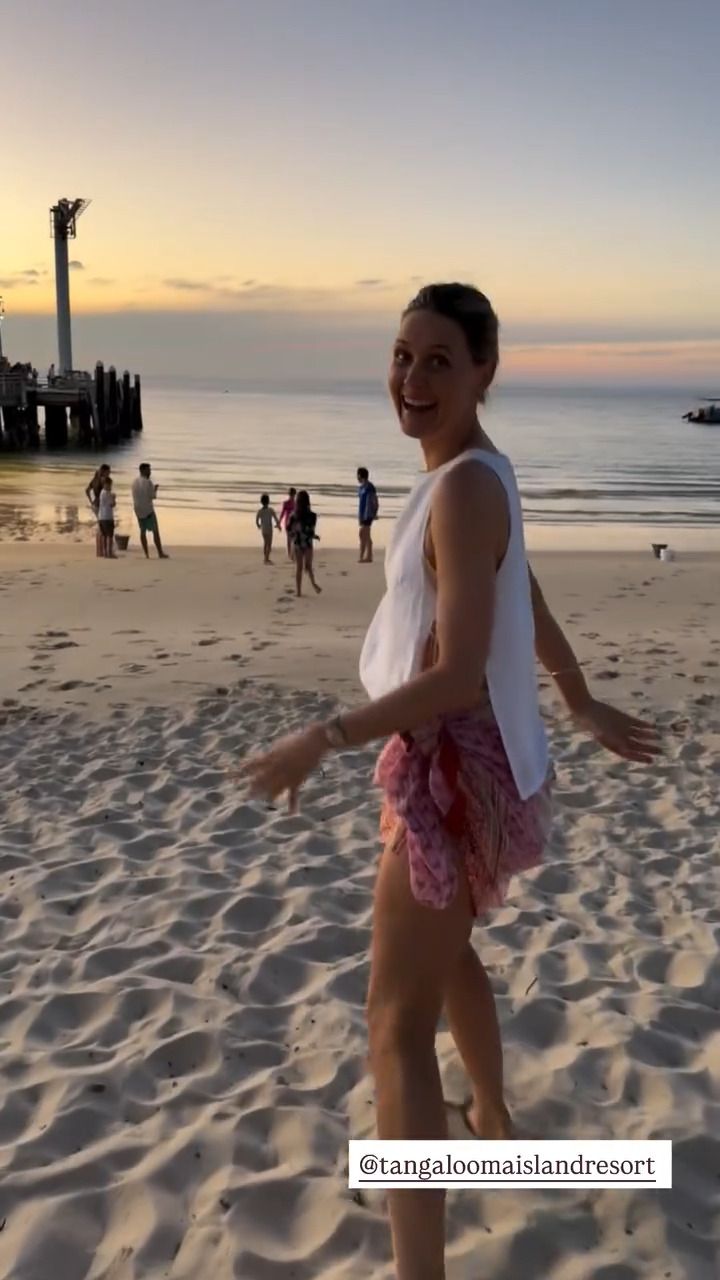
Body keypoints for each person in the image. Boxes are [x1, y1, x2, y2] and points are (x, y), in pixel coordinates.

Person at [240, 283, 661, 1280]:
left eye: (439, 360)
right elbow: (526, 590)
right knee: (449, 951)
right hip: (466, 759)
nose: (412, 378)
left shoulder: (467, 485)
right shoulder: (476, 473)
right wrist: (578, 697)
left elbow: (462, 673)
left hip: (455, 771)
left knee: (393, 1022)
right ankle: (496, 1116)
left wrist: (322, 737)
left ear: (483, 372)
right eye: (402, 356)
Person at [288, 490, 321, 597]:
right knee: (308, 566)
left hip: (297, 543)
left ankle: (298, 592)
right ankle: (314, 584)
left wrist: (293, 536)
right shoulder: (312, 516)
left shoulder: (293, 516)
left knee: (299, 568)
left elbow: (289, 530)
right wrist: (314, 536)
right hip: (307, 543)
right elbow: (311, 531)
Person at [131, 463, 169, 560]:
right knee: (155, 531)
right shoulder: (148, 482)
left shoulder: (134, 482)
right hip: (148, 510)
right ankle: (160, 553)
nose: (150, 472)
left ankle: (146, 554)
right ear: (143, 470)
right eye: (148, 470)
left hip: (138, 509)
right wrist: (155, 489)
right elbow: (153, 496)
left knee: (142, 531)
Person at [85, 464, 111, 558]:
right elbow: (107, 492)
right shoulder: (103, 480)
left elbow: (87, 490)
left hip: (95, 505)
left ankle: (99, 551)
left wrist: (91, 501)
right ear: (104, 471)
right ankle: (103, 551)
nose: (109, 473)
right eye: (108, 471)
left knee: (100, 528)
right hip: (100, 506)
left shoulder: (95, 479)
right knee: (102, 529)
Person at [357, 466, 379, 563]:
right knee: (365, 535)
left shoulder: (369, 487)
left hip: (368, 513)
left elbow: (375, 500)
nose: (357, 478)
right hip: (362, 514)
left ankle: (365, 556)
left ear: (360, 475)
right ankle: (366, 556)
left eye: (357, 475)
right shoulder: (361, 487)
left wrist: (375, 512)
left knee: (363, 533)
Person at [256, 493, 281, 564]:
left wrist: (258, 525)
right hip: (269, 529)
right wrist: (278, 525)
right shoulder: (270, 510)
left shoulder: (260, 511)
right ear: (268, 501)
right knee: (269, 544)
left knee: (265, 543)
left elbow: (257, 520)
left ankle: (265, 557)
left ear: (261, 502)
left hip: (263, 529)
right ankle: (266, 558)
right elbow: (276, 518)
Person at [97, 476, 117, 558]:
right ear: (106, 484)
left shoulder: (102, 493)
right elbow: (112, 504)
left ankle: (105, 552)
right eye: (110, 485)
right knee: (109, 536)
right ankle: (109, 553)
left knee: (104, 535)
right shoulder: (107, 493)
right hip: (107, 517)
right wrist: (114, 498)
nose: (110, 487)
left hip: (101, 517)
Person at [279, 487, 298, 560]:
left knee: (293, 539)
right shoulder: (287, 503)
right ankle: (290, 554)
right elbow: (283, 513)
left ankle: (292, 554)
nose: (292, 496)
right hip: (288, 523)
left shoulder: (296, 503)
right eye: (291, 494)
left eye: (292, 494)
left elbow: (299, 513)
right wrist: (279, 522)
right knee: (290, 539)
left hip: (294, 523)